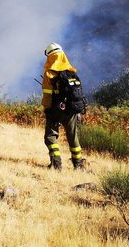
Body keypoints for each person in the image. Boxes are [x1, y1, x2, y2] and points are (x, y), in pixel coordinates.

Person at [41, 42, 87, 170]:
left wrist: (46, 109)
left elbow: (47, 97)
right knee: (73, 138)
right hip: (72, 110)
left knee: (50, 136)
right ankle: (78, 164)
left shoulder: (50, 74)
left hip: (55, 111)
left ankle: (56, 164)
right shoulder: (72, 72)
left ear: (51, 57)